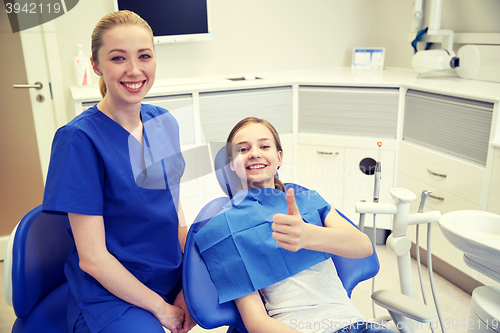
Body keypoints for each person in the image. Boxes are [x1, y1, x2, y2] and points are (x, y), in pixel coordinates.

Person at [42, 11, 195, 333]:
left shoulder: (163, 120)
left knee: (248, 296)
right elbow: (93, 259)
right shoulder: (79, 139)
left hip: (169, 272)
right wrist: (162, 309)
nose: (134, 70)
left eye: (144, 56)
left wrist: (189, 282)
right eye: (118, 58)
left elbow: (175, 211)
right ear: (96, 65)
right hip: (111, 292)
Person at [195, 117, 393, 333]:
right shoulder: (224, 229)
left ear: (279, 157)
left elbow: (363, 247)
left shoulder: (307, 201)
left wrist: (310, 236)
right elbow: (255, 321)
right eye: (243, 149)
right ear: (232, 164)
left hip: (356, 324)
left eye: (264, 146)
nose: (254, 153)